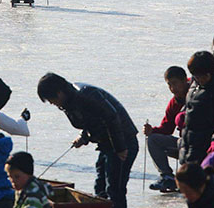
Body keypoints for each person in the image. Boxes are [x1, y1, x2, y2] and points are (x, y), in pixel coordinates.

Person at [37, 73, 138, 207]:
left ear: (59, 93)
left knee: (115, 189)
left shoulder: (86, 95)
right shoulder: (70, 100)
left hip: (123, 141)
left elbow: (112, 118)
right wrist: (83, 137)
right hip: (107, 144)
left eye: (50, 99)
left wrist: (120, 148)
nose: (51, 103)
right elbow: (92, 121)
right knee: (100, 188)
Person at [179, 51, 214, 165]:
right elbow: (191, 104)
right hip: (189, 141)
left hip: (206, 144)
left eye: (201, 75)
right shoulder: (195, 85)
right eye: (195, 75)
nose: (198, 78)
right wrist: (184, 115)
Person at [145, 66, 190, 193]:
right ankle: (167, 176)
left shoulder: (197, 93)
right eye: (169, 85)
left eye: (175, 84)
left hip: (199, 143)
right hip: (183, 144)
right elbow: (167, 128)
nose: (172, 88)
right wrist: (152, 130)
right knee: (153, 140)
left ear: (184, 81)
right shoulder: (174, 103)